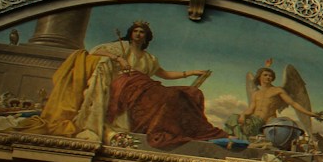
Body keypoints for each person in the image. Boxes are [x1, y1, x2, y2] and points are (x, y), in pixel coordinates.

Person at [29, 21, 222, 149]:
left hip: (146, 86)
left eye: (142, 33)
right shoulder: (120, 48)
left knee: (188, 93)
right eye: (136, 31)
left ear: (146, 37)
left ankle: (188, 129)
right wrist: (118, 59)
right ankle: (161, 127)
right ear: (131, 34)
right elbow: (95, 51)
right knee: (169, 96)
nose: (138, 34)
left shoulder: (149, 58)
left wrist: (191, 72)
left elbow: (164, 74)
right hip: (125, 87)